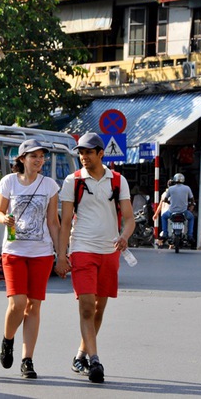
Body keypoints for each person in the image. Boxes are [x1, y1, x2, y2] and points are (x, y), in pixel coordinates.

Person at [55, 133, 135, 384]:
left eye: (88, 152)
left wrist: (124, 236)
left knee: (99, 308)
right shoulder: (73, 181)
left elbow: (129, 217)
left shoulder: (118, 181)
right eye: (81, 152)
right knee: (87, 305)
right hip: (82, 248)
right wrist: (61, 255)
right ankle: (95, 360)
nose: (83, 157)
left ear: (101, 154)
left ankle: (81, 354)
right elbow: (65, 222)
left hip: (110, 251)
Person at [0, 139, 60, 379]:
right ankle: (8, 339)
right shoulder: (9, 182)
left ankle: (27, 359)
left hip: (41, 253)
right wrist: (4, 220)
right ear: (22, 159)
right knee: (17, 303)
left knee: (34, 306)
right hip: (13, 251)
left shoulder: (50, 185)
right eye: (34, 156)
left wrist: (61, 253)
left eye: (42, 156)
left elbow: (53, 221)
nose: (39, 160)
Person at [161, 173, 195, 245]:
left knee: (163, 216)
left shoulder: (170, 188)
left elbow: (165, 199)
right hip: (184, 212)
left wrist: (167, 201)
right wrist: (192, 204)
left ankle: (165, 233)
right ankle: (190, 235)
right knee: (191, 218)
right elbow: (192, 199)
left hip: (171, 212)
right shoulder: (187, 188)